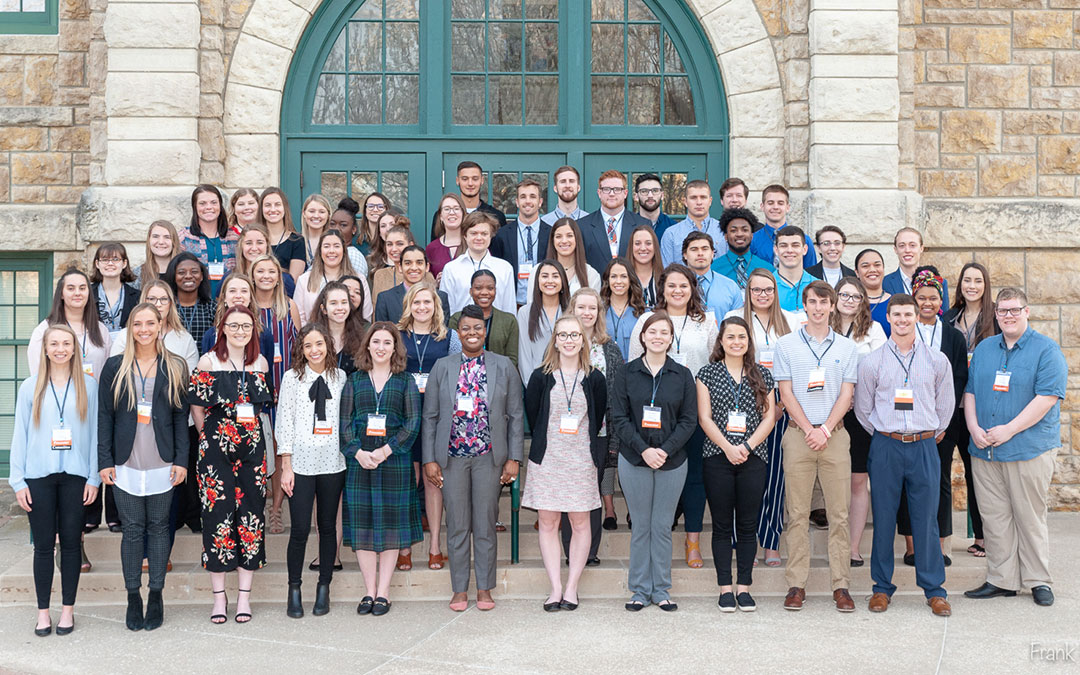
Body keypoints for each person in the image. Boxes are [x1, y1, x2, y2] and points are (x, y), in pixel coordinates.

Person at [962, 288, 1066, 607]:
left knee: (1029, 516)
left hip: (1027, 449)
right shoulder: (984, 350)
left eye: (1014, 310)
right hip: (985, 450)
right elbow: (970, 393)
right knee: (994, 518)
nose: (1008, 316)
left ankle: (1038, 580)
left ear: (1027, 311)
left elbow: (1047, 398)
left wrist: (1009, 430)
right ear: (995, 314)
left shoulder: (1046, 350)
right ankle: (1001, 579)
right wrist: (974, 429)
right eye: (1002, 311)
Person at [854, 294, 955, 617]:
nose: (901, 320)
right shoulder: (873, 362)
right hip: (886, 446)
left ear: (917, 316)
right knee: (883, 517)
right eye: (896, 314)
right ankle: (881, 588)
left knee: (926, 518)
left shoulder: (937, 360)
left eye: (907, 314)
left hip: (925, 445)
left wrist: (931, 432)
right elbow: (863, 409)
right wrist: (886, 434)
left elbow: (946, 404)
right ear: (889, 318)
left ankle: (934, 590)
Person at [422, 304, 524, 611]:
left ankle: (484, 587)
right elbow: (430, 416)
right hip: (451, 458)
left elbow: (516, 415)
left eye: (477, 328)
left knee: (484, 524)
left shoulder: (504, 366)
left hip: (488, 457)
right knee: (456, 524)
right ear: (458, 332)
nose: (472, 333)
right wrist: (429, 458)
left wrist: (514, 458)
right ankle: (458, 589)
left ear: (485, 331)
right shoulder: (442, 366)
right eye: (465, 328)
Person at [97, 303, 190, 631]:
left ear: (160, 325)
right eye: (138, 324)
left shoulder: (175, 365)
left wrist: (181, 460)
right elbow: (104, 416)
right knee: (133, 528)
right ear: (130, 328)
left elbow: (181, 416)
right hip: (126, 461)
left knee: (159, 526)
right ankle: (133, 596)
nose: (144, 329)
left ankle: (156, 594)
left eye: (150, 323)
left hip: (163, 460)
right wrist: (104, 461)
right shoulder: (114, 367)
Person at [773, 280, 858, 612]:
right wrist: (809, 429)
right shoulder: (786, 345)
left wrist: (824, 429)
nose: (819, 308)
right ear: (804, 306)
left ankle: (841, 586)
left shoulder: (846, 348)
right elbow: (786, 393)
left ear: (833, 306)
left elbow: (847, 395)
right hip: (798, 436)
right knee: (796, 514)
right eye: (813, 302)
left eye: (825, 302)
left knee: (838, 514)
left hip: (834, 436)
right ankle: (796, 585)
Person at [10, 324, 99, 637]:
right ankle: (43, 612)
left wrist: (93, 477)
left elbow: (93, 435)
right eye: (54, 344)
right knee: (44, 547)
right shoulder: (30, 387)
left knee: (72, 545)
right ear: (45, 349)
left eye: (66, 343)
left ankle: (68, 611)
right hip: (38, 477)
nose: (60, 349)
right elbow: (19, 435)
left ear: (74, 349)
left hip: (76, 477)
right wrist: (17, 481)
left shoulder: (88, 386)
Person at [629, 264, 718, 568]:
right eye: (671, 286)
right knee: (655, 472)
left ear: (693, 288)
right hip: (654, 412)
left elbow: (713, 364)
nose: (678, 291)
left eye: (684, 285)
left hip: (692, 412)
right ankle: (656, 533)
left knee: (695, 478)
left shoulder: (706, 321)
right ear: (661, 289)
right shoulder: (647, 320)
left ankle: (692, 540)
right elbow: (632, 367)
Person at [189, 305, 272, 624]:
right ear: (222, 328)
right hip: (215, 450)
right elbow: (197, 406)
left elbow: (262, 408)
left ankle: (244, 598)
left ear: (254, 330)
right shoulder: (208, 361)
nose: (240, 331)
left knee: (251, 517)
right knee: (217, 518)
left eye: (246, 326)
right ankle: (219, 599)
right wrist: (208, 436)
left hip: (252, 448)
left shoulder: (260, 362)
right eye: (234, 325)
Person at [611, 312, 697, 611]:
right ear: (643, 337)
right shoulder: (626, 372)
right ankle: (638, 590)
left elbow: (689, 420)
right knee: (641, 526)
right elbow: (619, 418)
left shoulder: (682, 375)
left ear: (671, 339)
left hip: (672, 461)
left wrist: (665, 450)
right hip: (634, 458)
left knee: (661, 525)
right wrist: (644, 449)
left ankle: (661, 590)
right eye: (653, 332)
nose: (658, 337)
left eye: (664, 332)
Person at [523, 315, 607, 611]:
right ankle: (555, 587)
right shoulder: (540, 376)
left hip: (581, 460)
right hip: (548, 459)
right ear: (555, 341)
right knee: (547, 522)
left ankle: (572, 587)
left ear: (583, 341)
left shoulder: (595, 378)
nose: (569, 340)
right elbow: (533, 415)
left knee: (580, 522)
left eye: (575, 335)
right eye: (563, 335)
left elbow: (596, 420)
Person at [340, 322, 422, 617]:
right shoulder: (354, 380)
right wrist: (358, 452)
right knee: (362, 526)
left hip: (394, 461)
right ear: (367, 346)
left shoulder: (405, 381)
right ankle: (368, 591)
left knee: (390, 527)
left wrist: (387, 450)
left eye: (387, 343)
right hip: (360, 462)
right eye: (376, 342)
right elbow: (344, 423)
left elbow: (413, 423)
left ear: (395, 348)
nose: (381, 348)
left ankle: (383, 592)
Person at [697, 316, 775, 612]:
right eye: (730, 337)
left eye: (742, 337)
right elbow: (704, 418)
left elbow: (769, 417)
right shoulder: (707, 374)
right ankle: (725, 589)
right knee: (720, 526)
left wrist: (746, 446)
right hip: (717, 456)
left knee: (746, 525)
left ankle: (744, 587)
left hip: (753, 457)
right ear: (721, 341)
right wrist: (728, 447)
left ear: (748, 342)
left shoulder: (762, 375)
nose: (736, 342)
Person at [726, 268, 803, 567]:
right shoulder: (734, 317)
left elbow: (798, 364)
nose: (762, 295)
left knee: (775, 479)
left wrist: (781, 404)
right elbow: (729, 360)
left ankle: (771, 542)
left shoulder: (792, 321)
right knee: (742, 477)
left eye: (768, 290)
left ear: (775, 291)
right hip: (740, 412)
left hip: (782, 409)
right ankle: (742, 541)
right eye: (756, 290)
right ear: (748, 291)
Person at [897, 268, 968, 567]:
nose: (927, 303)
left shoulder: (953, 336)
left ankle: (941, 545)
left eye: (933, 297)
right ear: (914, 300)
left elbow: (959, 379)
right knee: (906, 483)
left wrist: (942, 424)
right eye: (921, 297)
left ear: (941, 300)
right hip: (905, 422)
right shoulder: (903, 332)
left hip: (941, 426)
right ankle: (913, 546)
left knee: (939, 481)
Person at [276, 323, 347, 618]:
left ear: (328, 346)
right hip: (301, 465)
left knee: (327, 527)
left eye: (319, 344)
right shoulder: (293, 378)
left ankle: (323, 587)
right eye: (308, 346)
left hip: (333, 462)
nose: (314, 350)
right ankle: (294, 589)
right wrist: (286, 466)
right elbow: (285, 422)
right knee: (300, 529)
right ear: (301, 350)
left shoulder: (340, 377)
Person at [397, 283, 461, 572]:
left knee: (434, 482)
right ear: (408, 305)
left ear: (436, 306)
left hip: (438, 418)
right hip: (403, 417)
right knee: (407, 485)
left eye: (428, 302)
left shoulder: (450, 338)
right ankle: (405, 547)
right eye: (417, 302)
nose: (422, 307)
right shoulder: (396, 336)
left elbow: (461, 376)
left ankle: (435, 546)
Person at [942, 262, 999, 558]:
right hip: (951, 407)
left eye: (978, 280)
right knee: (942, 474)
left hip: (981, 407)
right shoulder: (950, 317)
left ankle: (982, 536)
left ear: (985, 285)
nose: (972, 285)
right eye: (967, 280)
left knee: (978, 475)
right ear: (960, 285)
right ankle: (942, 540)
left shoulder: (996, 318)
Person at [830, 277, 887, 567]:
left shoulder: (874, 330)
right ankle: (835, 544)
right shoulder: (821, 326)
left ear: (863, 300)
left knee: (857, 480)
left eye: (856, 296)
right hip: (827, 414)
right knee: (833, 480)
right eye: (844, 295)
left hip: (861, 414)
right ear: (835, 297)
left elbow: (882, 370)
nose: (850, 300)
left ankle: (852, 547)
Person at [568, 288, 625, 546]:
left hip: (600, 433)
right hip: (568, 434)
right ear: (572, 310)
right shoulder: (561, 343)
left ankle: (590, 550)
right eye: (582, 307)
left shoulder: (610, 349)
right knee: (572, 493)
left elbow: (618, 396)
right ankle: (571, 548)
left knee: (592, 491)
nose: (587, 313)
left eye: (593, 308)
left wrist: (614, 439)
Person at [251, 254, 301, 534]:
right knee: (258, 449)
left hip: (284, 385)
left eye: (272, 271)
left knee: (282, 449)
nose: (267, 276)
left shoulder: (289, 305)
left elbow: (297, 345)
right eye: (261, 271)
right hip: (254, 389)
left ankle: (277, 508)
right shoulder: (245, 307)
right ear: (253, 275)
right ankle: (256, 503)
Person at [29, 267, 112, 381]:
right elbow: (36, 373)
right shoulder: (44, 330)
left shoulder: (101, 330)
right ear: (61, 294)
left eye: (82, 288)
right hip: (59, 397)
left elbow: (109, 370)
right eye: (71, 288)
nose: (77, 293)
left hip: (94, 397)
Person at [440, 211, 516, 315]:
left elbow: (509, 309)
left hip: (496, 329)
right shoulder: (451, 269)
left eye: (484, 234)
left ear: (491, 236)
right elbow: (447, 309)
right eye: (473, 233)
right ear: (465, 235)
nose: (479, 238)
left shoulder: (505, 268)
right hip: (460, 329)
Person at [577, 170, 650, 276]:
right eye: (606, 189)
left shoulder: (642, 225)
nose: (611, 194)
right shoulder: (582, 226)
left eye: (617, 189)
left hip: (632, 289)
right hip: (595, 289)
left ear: (625, 193)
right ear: (599, 193)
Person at [491, 178, 551, 306]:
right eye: (523, 197)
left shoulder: (551, 234)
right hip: (512, 304)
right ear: (517, 202)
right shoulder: (502, 235)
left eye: (532, 196)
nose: (528, 201)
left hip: (543, 303)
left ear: (540, 202)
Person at [448, 270, 519, 368]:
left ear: (495, 291)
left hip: (500, 378)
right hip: (464, 378)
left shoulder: (509, 320)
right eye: (478, 288)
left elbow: (512, 359)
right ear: (471, 291)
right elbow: (453, 355)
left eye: (490, 288)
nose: (484, 292)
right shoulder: (457, 319)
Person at [178, 185, 239, 297]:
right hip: (197, 305)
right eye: (202, 203)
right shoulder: (184, 238)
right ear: (195, 207)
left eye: (213, 202)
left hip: (228, 304)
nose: (209, 207)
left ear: (220, 206)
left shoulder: (234, 238)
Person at [516, 260, 569, 383]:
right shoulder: (525, 312)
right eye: (545, 276)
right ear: (537, 281)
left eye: (555, 276)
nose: (550, 281)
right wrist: (533, 387)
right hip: (536, 383)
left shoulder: (571, 311)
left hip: (567, 383)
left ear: (563, 281)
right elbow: (524, 356)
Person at [294, 230, 362, 325]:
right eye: (326, 246)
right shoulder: (304, 280)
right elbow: (299, 319)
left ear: (344, 250)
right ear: (320, 250)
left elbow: (365, 316)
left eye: (336, 246)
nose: (331, 251)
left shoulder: (358, 279)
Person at [428, 160, 507, 239]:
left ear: (482, 180)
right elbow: (435, 248)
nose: (470, 183)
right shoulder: (444, 215)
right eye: (465, 179)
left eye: (475, 179)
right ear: (457, 181)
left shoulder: (496, 216)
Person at [374, 245, 450, 324]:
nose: (414, 268)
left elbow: (443, 331)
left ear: (427, 267)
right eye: (408, 263)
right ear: (400, 267)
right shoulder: (385, 299)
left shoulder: (441, 297)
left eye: (419, 263)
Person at [660, 179, 726, 267]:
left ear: (710, 201)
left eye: (703, 197)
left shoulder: (723, 230)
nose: (699, 202)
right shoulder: (671, 234)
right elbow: (666, 271)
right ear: (685, 202)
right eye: (693, 198)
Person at [529, 217, 601, 297]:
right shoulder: (537, 271)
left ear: (577, 239)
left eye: (569, 236)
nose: (564, 241)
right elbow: (532, 305)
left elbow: (594, 307)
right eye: (558, 236)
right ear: (552, 240)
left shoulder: (591, 274)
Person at [682, 231, 742, 324]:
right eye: (694, 249)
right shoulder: (674, 287)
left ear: (713, 253)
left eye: (705, 249)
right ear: (685, 255)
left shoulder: (730, 287)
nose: (700, 253)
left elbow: (738, 324)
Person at [749, 185, 816, 268]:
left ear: (787, 207)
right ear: (762, 206)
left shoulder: (804, 240)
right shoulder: (752, 241)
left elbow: (811, 272)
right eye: (770, 203)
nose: (775, 207)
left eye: (780, 203)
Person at [311, 281, 367, 377]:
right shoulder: (312, 338)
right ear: (324, 309)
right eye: (333, 303)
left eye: (344, 302)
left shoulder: (361, 339)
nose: (340, 308)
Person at [882, 227, 949, 306]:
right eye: (902, 245)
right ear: (895, 249)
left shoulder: (939, 282)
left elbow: (944, 316)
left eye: (912, 245)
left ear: (921, 248)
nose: (907, 250)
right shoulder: (884, 283)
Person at [711, 207, 773, 288]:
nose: (739, 234)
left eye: (745, 230)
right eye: (733, 230)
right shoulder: (713, 269)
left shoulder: (767, 269)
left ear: (751, 235)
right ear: (726, 236)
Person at [90, 242, 140, 341]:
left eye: (115, 259)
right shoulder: (87, 293)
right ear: (97, 264)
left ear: (124, 263)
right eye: (105, 260)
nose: (110, 263)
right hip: (95, 348)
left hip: (126, 349)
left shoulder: (137, 296)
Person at [600, 257, 646, 362]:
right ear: (608, 280)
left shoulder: (643, 313)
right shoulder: (598, 312)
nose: (618, 281)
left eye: (624, 276)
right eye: (614, 276)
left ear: (631, 279)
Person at [167, 253, 216, 345]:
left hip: (205, 358)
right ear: (173, 276)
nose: (188, 276)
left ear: (201, 276)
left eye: (194, 272)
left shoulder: (212, 307)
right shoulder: (167, 307)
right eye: (181, 272)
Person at [261, 187, 306, 281]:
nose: (273, 209)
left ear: (284, 208)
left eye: (277, 205)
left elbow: (292, 281)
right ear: (261, 209)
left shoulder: (297, 241)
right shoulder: (256, 240)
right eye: (268, 205)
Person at [371, 225, 420, 305]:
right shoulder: (380, 275)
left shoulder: (424, 275)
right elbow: (376, 309)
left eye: (399, 244)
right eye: (389, 244)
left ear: (411, 245)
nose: (394, 249)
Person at [774, 226, 817, 312]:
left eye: (795, 245)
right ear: (776, 250)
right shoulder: (766, 286)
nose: (789, 250)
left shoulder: (817, 285)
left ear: (804, 249)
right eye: (783, 246)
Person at [426, 193, 467, 279]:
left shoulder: (472, 244)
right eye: (447, 209)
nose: (452, 213)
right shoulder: (432, 248)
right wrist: (435, 284)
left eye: (456, 209)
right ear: (440, 216)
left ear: (463, 214)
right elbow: (427, 281)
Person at [328, 197, 370, 279]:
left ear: (353, 229)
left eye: (343, 225)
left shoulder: (353, 257)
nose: (336, 228)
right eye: (332, 224)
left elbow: (354, 288)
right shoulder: (327, 252)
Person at [854, 248, 892, 336]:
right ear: (857, 272)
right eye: (865, 266)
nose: (872, 270)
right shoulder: (850, 303)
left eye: (877, 265)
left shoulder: (895, 302)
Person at [134, 220, 180, 290]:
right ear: (149, 240)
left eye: (167, 237)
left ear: (174, 242)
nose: (161, 242)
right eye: (155, 236)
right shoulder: (137, 275)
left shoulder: (184, 273)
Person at [632, 173, 677, 241]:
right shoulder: (628, 227)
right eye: (644, 191)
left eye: (655, 191)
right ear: (636, 197)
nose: (650, 195)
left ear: (662, 195)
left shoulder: (673, 227)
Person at [629, 225, 663, 307]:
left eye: (648, 243)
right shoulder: (624, 278)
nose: (643, 248)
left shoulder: (665, 278)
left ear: (655, 246)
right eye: (637, 243)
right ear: (631, 247)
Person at [300, 194, 333, 265]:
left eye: (322, 212)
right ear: (304, 214)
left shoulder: (334, 243)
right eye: (312, 211)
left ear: (328, 215)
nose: (316, 216)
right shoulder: (296, 242)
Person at [356, 192, 391, 259]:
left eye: (380, 206)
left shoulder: (394, 243)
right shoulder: (356, 242)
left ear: (387, 210)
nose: (375, 210)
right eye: (371, 206)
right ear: (365, 211)